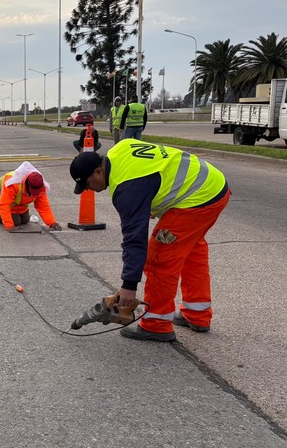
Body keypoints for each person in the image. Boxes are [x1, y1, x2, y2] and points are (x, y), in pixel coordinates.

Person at [69, 141, 231, 342]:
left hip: (197, 199)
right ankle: (197, 314)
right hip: (213, 186)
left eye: (87, 184)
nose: (89, 190)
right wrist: (148, 202)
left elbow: (134, 240)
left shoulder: (126, 189)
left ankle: (156, 324)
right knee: (191, 252)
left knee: (160, 257)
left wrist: (129, 286)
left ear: (98, 172)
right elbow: (154, 171)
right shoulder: (120, 148)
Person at [0, 161, 62, 232]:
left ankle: (15, 215)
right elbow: (4, 205)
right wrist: (9, 226)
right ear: (27, 184)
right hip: (0, 200)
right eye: (33, 191)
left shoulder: (40, 186)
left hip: (19, 204)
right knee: (15, 222)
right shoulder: (13, 184)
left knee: (25, 220)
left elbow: (43, 206)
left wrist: (52, 223)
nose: (34, 194)